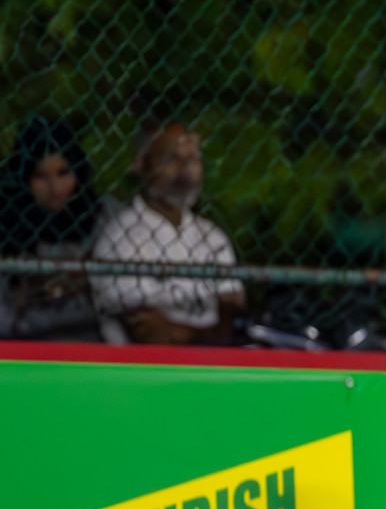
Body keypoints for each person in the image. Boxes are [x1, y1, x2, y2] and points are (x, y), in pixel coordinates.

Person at [91, 122, 245, 345]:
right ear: (141, 164)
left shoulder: (213, 236)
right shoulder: (120, 237)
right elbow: (151, 335)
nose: (185, 168)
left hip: (212, 370)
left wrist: (186, 333)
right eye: (171, 159)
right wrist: (210, 335)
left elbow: (237, 320)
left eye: (193, 159)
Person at [0, 119, 107, 341]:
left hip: (91, 340)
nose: (54, 187)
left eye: (63, 173)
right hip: (24, 340)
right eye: (41, 175)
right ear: (25, 178)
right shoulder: (7, 224)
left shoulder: (103, 214)